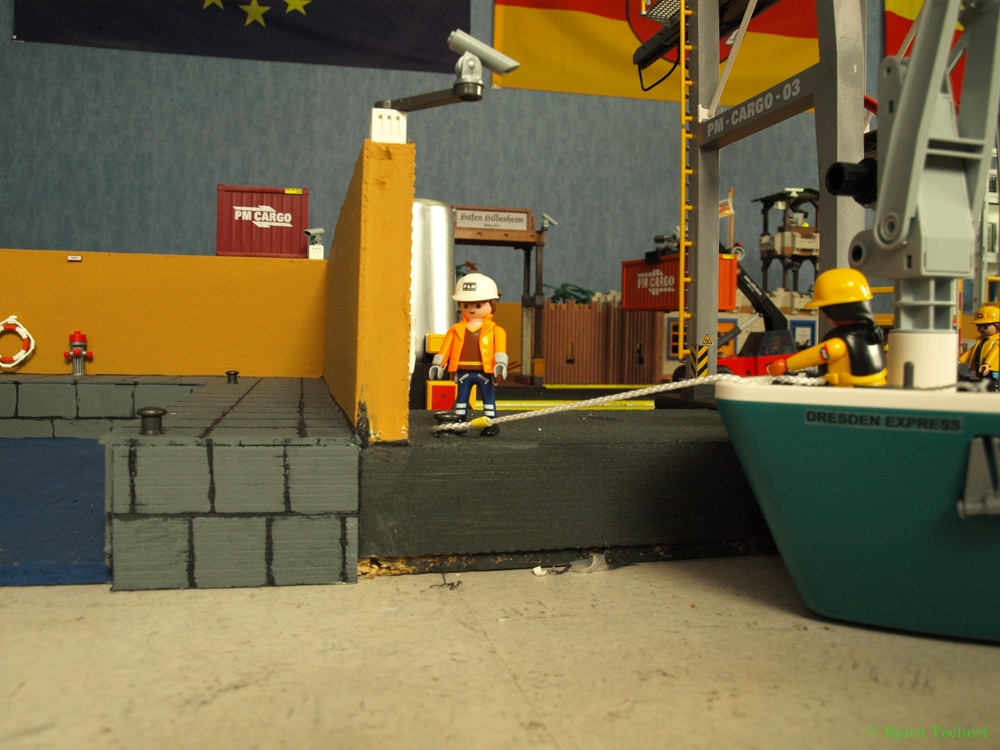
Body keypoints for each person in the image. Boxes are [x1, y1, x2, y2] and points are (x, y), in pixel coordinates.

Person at [767, 268, 886, 387]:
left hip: (849, 391)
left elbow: (816, 355)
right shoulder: (871, 334)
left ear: (838, 311)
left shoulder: (838, 344)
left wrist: (786, 365)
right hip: (874, 386)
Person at [429, 273, 508, 436]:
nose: (472, 309)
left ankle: (491, 423)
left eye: (478, 305)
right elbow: (446, 348)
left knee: (488, 397)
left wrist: (501, 363)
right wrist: (438, 364)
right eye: (466, 304)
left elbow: (500, 349)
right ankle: (460, 422)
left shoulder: (495, 330)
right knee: (462, 398)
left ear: (492, 304)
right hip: (463, 371)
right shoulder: (456, 329)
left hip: (485, 371)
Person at [958, 305, 1000, 390]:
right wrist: (961, 360)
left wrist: (987, 364)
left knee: (992, 385)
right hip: (981, 370)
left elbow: (995, 352)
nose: (981, 330)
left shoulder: (996, 341)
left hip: (993, 370)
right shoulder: (981, 341)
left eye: (985, 327)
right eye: (978, 326)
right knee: (984, 384)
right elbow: (971, 351)